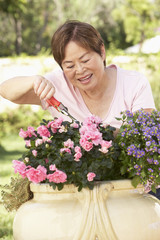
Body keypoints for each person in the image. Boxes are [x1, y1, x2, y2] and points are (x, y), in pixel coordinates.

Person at [0, 20, 159, 198]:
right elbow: (6, 90)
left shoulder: (133, 83)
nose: (80, 70)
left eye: (85, 60)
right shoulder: (57, 86)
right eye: (69, 65)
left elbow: (144, 138)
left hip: (133, 189)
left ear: (102, 51)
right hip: (79, 193)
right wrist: (34, 81)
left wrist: (97, 135)